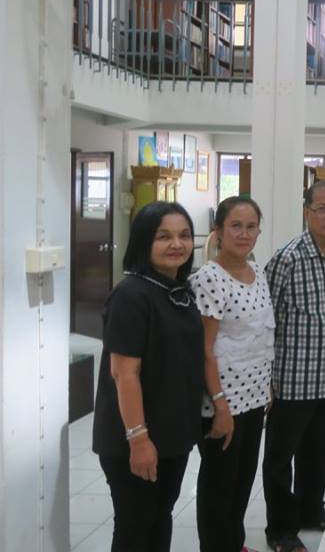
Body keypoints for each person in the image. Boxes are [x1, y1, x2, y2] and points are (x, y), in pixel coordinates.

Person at [92, 201, 204, 552]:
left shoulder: (176, 289)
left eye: (184, 235)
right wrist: (139, 440)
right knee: (136, 524)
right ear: (144, 241)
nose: (177, 244)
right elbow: (124, 373)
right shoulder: (131, 295)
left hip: (171, 433)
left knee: (160, 517)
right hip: (134, 436)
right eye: (164, 236)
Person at [262, 181, 325, 552]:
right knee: (281, 459)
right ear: (307, 211)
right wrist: (266, 379)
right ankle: (281, 529)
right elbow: (265, 318)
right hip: (292, 380)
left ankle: (311, 510)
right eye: (322, 209)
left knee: (322, 453)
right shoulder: (288, 258)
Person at [190, 196, 274, 552]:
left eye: (251, 227)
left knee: (242, 481)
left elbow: (261, 333)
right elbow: (204, 349)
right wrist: (220, 405)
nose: (244, 234)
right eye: (236, 226)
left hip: (254, 397)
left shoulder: (258, 272)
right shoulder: (209, 278)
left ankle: (234, 544)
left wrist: (267, 387)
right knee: (219, 487)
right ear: (219, 231)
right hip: (221, 403)